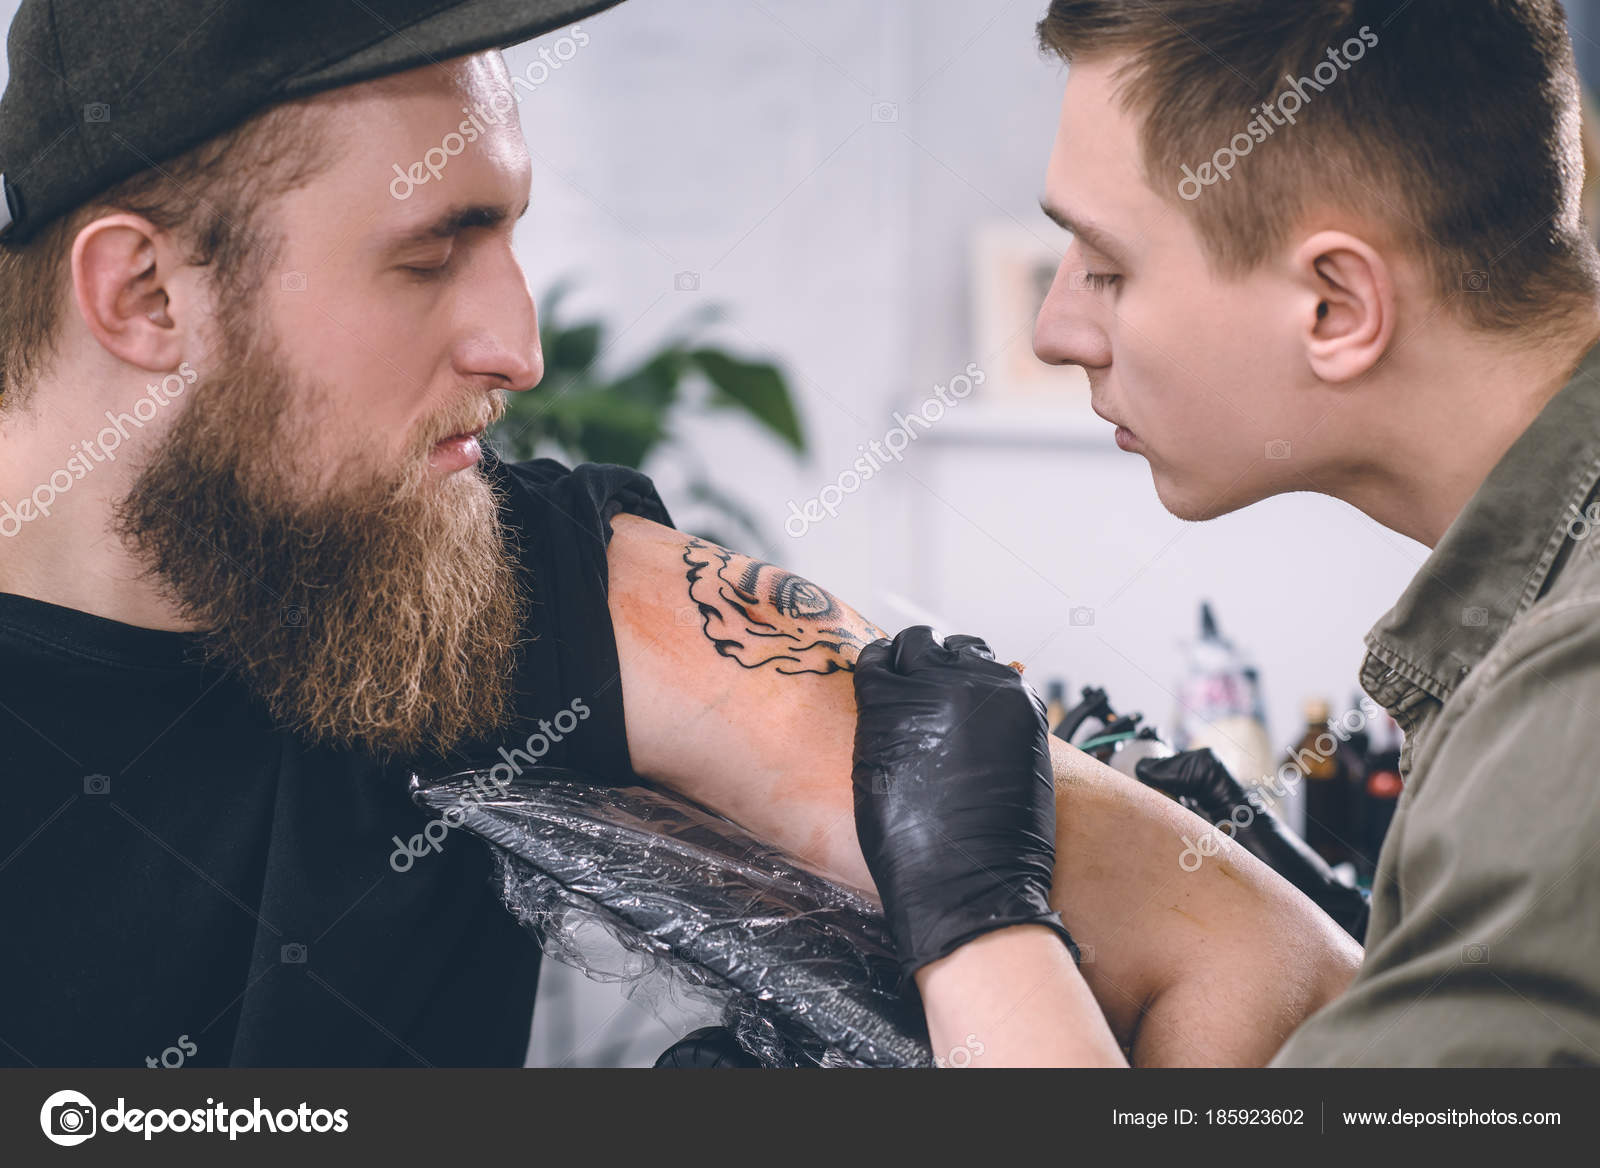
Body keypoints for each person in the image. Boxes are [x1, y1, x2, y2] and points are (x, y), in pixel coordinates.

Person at [0, 0, 1354, 1068]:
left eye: (510, 237)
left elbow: (1264, 961)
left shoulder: (482, 577)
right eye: (427, 256)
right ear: (143, 293)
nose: (516, 346)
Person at [850, 0, 1600, 1067]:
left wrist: (980, 928)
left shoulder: (1577, 683)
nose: (1057, 330)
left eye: (1107, 267)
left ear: (1334, 308)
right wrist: (1370, 952)